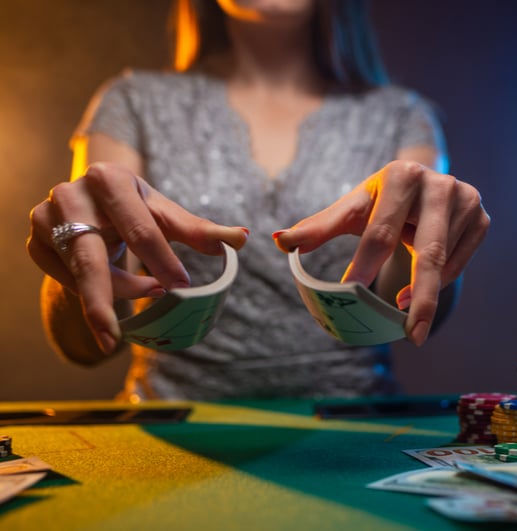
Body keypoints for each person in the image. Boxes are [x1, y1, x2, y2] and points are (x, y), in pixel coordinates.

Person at [26, 0, 489, 401]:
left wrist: (436, 242)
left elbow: (408, 313)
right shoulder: (130, 102)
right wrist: (77, 255)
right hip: (173, 431)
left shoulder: (404, 117)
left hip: (351, 431)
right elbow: (87, 341)